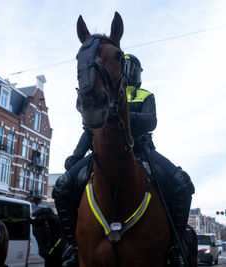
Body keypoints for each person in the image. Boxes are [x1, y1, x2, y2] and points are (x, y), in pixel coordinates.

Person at [53, 54, 195, 267]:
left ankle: (174, 247)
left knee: (182, 183)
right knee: (63, 186)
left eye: (134, 70)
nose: (131, 73)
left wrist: (123, 112)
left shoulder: (145, 95)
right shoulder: (105, 93)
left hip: (140, 151)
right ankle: (73, 246)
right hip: (102, 154)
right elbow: (91, 129)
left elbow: (150, 121)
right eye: (127, 68)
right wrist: (77, 153)